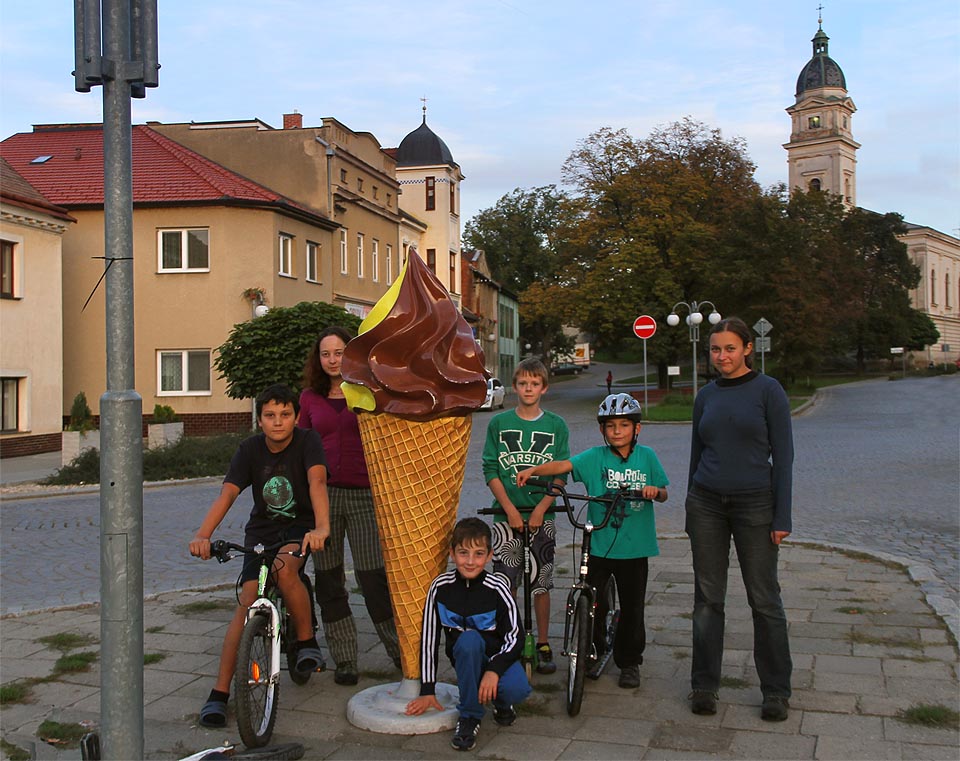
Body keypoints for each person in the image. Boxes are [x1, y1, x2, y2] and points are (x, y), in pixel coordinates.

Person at [189, 383, 330, 728]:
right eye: (270, 416)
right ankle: (220, 693)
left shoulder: (308, 442)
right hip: (261, 531)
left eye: (285, 415)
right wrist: (203, 535)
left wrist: (322, 528)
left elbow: (318, 484)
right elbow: (228, 494)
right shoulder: (249, 450)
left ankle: (306, 640)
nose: (278, 422)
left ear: (296, 417)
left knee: (286, 571)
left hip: (300, 527)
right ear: (259, 420)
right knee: (246, 601)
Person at [517, 393, 669, 689]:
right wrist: (534, 470)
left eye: (624, 425)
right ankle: (592, 650)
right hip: (598, 544)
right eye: (611, 426)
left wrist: (653, 491)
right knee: (593, 604)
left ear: (636, 429)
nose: (617, 431)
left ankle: (629, 662)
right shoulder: (594, 457)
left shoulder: (647, 456)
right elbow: (562, 466)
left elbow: (664, 492)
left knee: (633, 607)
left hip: (635, 547)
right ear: (602, 430)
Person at [684, 317, 794, 722]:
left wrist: (782, 516)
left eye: (730, 348)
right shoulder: (705, 396)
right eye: (715, 349)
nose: (722, 356)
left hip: (756, 504)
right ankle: (704, 685)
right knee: (708, 600)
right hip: (707, 504)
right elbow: (698, 452)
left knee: (764, 600)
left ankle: (776, 691)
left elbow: (784, 458)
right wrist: (690, 507)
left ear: (747, 348)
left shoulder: (769, 391)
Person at [299, 326, 401, 685]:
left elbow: (389, 441)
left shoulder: (367, 391)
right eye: (326, 354)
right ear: (318, 358)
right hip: (323, 497)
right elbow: (302, 446)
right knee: (328, 580)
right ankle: (345, 659)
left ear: (350, 355)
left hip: (363, 495)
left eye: (339, 353)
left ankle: (400, 654)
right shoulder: (309, 399)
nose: (332, 360)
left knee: (373, 578)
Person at [405, 518, 532, 751]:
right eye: (463, 553)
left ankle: (502, 702)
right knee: (469, 639)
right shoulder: (440, 587)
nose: (471, 561)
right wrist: (427, 690)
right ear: (452, 553)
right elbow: (429, 639)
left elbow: (516, 636)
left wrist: (494, 671)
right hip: (466, 656)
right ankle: (470, 716)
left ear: (490, 555)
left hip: (496, 660)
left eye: (478, 553)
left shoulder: (498, 588)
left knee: (517, 689)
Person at [481, 357, 569, 674]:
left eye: (534, 384)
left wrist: (542, 508)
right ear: (515, 386)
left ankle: (542, 641)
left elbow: (561, 473)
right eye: (522, 383)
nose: (528, 388)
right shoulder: (498, 423)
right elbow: (490, 469)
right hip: (507, 518)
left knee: (541, 583)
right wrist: (509, 510)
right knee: (507, 584)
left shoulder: (556, 425)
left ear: (543, 388)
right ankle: (511, 639)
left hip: (542, 517)